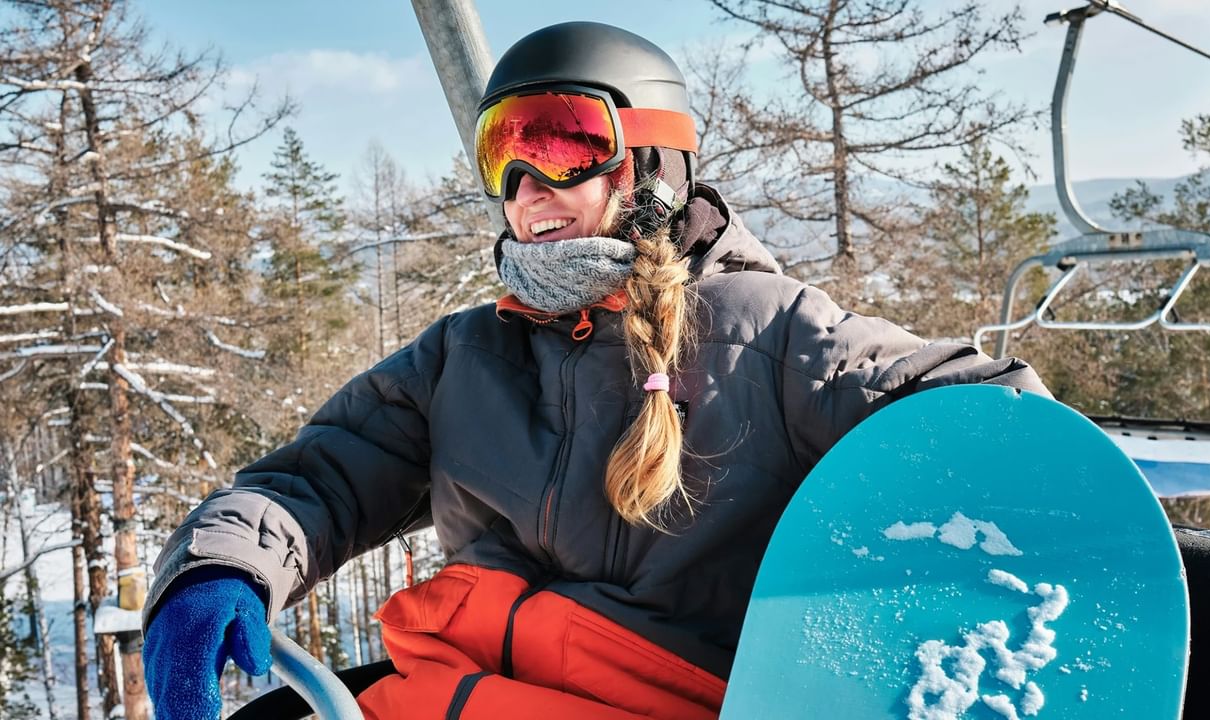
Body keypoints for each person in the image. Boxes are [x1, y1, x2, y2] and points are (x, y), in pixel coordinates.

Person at [141, 21, 1049, 720]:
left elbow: (980, 412)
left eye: (563, 142)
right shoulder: (465, 353)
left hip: (661, 691)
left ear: (650, 164)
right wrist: (219, 567)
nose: (528, 184)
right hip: (468, 687)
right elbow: (320, 477)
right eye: (506, 152)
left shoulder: (761, 329)